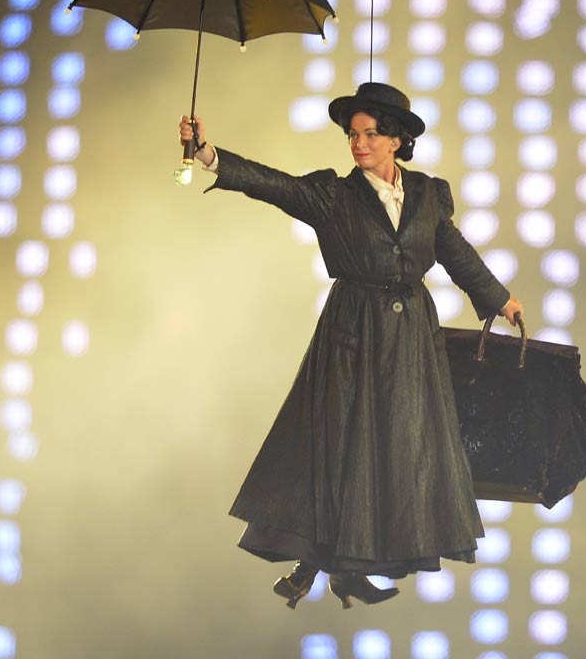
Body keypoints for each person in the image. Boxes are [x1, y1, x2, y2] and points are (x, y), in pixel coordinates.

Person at [178, 82, 523, 610]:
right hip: (353, 333)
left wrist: (499, 299)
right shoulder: (333, 195)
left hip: (409, 340)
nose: (358, 144)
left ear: (397, 139)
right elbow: (273, 185)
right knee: (342, 447)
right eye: (352, 135)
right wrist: (208, 154)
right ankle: (323, 563)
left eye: (370, 134)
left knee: (398, 449)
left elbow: (454, 251)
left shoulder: (428, 194)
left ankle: (350, 568)